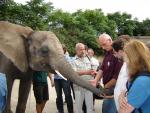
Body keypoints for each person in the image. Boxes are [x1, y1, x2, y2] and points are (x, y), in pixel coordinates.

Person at [90, 33, 123, 113]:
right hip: (107, 88)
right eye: (101, 45)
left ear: (110, 40)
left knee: (109, 109)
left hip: (114, 89)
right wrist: (96, 80)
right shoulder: (107, 52)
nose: (103, 47)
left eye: (104, 44)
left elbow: (117, 76)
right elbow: (102, 68)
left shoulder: (118, 54)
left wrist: (105, 88)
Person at [118, 40, 150, 113]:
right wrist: (121, 96)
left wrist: (120, 99)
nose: (124, 60)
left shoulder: (142, 81)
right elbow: (126, 91)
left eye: (125, 56)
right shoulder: (140, 75)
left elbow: (123, 111)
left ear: (132, 58)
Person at [72, 43, 98, 113]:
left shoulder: (88, 59)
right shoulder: (73, 60)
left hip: (88, 86)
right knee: (78, 108)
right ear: (76, 50)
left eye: (83, 49)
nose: (83, 51)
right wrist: (87, 72)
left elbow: (92, 69)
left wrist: (93, 72)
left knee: (90, 107)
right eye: (81, 49)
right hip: (78, 87)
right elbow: (74, 73)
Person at [112, 35, 131, 111]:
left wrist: (123, 95)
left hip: (124, 106)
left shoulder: (130, 64)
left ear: (120, 51)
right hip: (120, 105)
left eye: (114, 52)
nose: (114, 55)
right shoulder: (125, 63)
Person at [53, 44, 74, 113]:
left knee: (67, 95)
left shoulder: (67, 58)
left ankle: (70, 111)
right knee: (58, 96)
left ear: (64, 50)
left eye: (60, 49)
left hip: (65, 79)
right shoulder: (55, 58)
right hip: (56, 79)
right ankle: (60, 110)